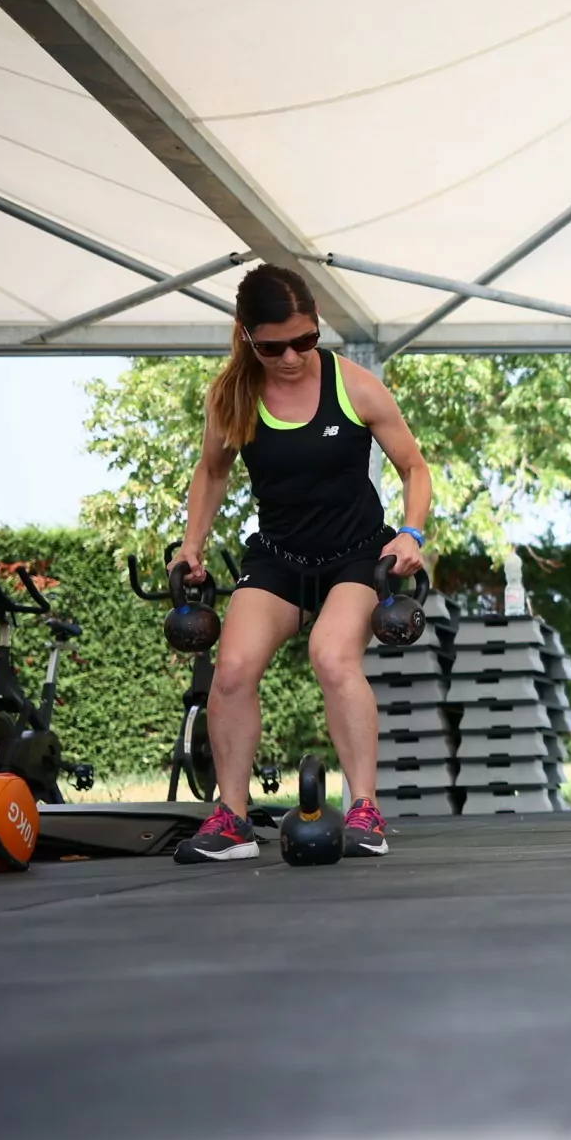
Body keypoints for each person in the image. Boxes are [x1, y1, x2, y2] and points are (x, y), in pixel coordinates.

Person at [172, 264, 432, 862]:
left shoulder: (355, 385)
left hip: (357, 555)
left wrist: (412, 533)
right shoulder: (232, 396)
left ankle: (365, 808)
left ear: (317, 327)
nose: (291, 356)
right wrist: (193, 543)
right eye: (273, 346)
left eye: (305, 339)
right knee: (232, 669)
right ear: (246, 337)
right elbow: (212, 472)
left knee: (332, 656)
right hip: (281, 557)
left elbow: (414, 467)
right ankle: (232, 820)